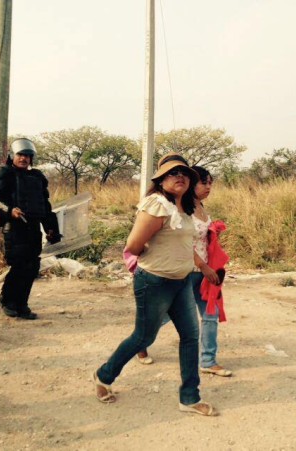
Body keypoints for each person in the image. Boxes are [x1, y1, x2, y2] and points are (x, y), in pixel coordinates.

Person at [93, 152, 217, 416]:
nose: (180, 177)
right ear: (160, 180)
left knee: (190, 337)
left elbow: (184, 243)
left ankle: (189, 398)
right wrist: (157, 259)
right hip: (155, 282)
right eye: (173, 173)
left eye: (185, 174)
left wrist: (198, 265)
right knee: (144, 337)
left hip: (181, 281)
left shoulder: (185, 208)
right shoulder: (157, 205)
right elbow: (134, 246)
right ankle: (104, 376)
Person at [0, 138, 60, 320]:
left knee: (32, 266)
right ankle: (7, 301)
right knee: (19, 266)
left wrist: (51, 228)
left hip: (33, 228)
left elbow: (45, 206)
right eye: (20, 155)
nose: (24, 158)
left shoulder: (37, 177)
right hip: (13, 228)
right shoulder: (5, 173)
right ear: (13, 155)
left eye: (28, 155)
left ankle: (22, 304)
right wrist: (10, 210)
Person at [190, 166, 231, 377]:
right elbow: (181, 243)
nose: (208, 187)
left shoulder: (201, 208)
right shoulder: (181, 210)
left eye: (210, 183)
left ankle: (207, 360)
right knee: (165, 315)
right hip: (184, 272)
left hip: (204, 273)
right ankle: (142, 342)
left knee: (210, 315)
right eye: (203, 183)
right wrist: (203, 266)